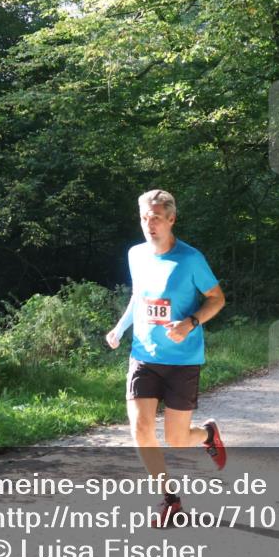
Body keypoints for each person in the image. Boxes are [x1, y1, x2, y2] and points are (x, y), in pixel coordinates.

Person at [106, 189, 227, 528]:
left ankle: (207, 435)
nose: (150, 225)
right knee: (141, 428)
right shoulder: (136, 255)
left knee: (176, 438)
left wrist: (190, 323)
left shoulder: (190, 259)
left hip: (183, 359)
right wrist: (120, 328)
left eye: (156, 218)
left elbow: (217, 299)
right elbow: (138, 296)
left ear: (171, 219)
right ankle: (170, 498)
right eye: (145, 218)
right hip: (144, 355)